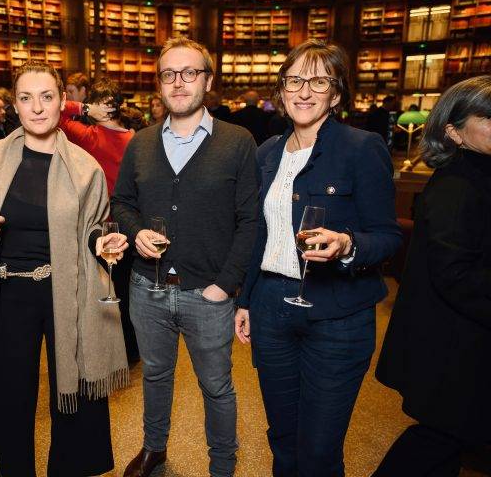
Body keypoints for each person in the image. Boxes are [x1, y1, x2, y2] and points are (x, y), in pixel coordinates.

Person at [233, 39, 402, 477]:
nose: (304, 92)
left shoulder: (361, 148)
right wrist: (245, 300)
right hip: (271, 308)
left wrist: (348, 244)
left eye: (319, 81)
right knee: (282, 438)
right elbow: (258, 235)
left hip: (337, 316)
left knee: (319, 449)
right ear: (281, 90)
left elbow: (388, 236)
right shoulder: (267, 153)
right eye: (294, 81)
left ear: (337, 93)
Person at [112, 36, 259, 477]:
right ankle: (154, 449)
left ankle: (222, 465)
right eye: (169, 74)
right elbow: (122, 202)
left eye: (189, 72)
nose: (178, 82)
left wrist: (225, 286)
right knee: (155, 375)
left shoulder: (237, 141)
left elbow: (251, 220)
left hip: (208, 294)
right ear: (159, 84)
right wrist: (135, 231)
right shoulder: (140, 142)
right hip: (148, 288)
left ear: (208, 80)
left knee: (216, 386)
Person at [0, 61, 129, 477]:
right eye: (26, 98)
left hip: (68, 287)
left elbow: (94, 225)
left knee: (74, 386)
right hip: (9, 291)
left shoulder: (85, 166)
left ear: (63, 101)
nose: (37, 107)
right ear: (14, 104)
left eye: (46, 97)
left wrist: (100, 241)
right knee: (12, 395)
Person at [373, 75, 491, 477]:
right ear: (453, 131)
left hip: (460, 340)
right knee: (439, 439)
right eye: (488, 118)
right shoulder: (457, 185)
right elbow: (455, 274)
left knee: (446, 444)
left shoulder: (476, 175)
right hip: (453, 345)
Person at [58, 76, 142, 364]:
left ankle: (105, 351)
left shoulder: (89, 136)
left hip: (99, 225)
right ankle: (131, 350)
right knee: (126, 290)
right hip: (130, 222)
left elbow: (55, 112)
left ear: (102, 107)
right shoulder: (135, 138)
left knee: (99, 290)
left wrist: (81, 108)